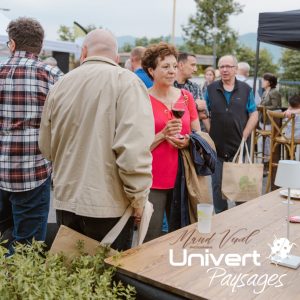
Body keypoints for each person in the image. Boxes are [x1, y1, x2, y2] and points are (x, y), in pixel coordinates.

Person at [39, 29, 154, 251]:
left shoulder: (60, 85)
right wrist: (139, 199)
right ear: (117, 58)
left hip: (67, 200)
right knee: (108, 281)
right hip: (110, 205)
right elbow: (133, 153)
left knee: (71, 277)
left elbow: (46, 148)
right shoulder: (127, 82)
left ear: (84, 52)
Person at [0, 17, 63, 251]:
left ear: (12, 44)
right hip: (34, 171)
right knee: (29, 247)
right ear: (41, 45)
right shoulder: (53, 76)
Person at [141, 43, 200, 241]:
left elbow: (197, 134)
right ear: (151, 70)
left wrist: (187, 141)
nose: (172, 71)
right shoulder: (142, 99)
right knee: (151, 236)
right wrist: (162, 135)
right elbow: (137, 147)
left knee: (182, 235)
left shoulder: (186, 97)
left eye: (174, 66)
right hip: (152, 179)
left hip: (183, 177)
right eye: (165, 67)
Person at [205, 55, 258, 214]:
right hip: (218, 146)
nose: (225, 70)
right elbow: (204, 114)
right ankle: (221, 218)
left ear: (235, 69)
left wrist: (246, 133)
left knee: (241, 185)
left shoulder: (246, 89)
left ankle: (241, 217)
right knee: (217, 186)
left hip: (239, 147)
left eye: (228, 66)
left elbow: (254, 113)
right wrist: (210, 132)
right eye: (222, 67)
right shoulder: (211, 89)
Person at [174, 52, 209, 131]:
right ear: (181, 65)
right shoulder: (169, 86)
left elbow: (204, 114)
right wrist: (195, 105)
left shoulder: (195, 87)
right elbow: (167, 113)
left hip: (191, 136)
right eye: (192, 65)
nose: (195, 69)